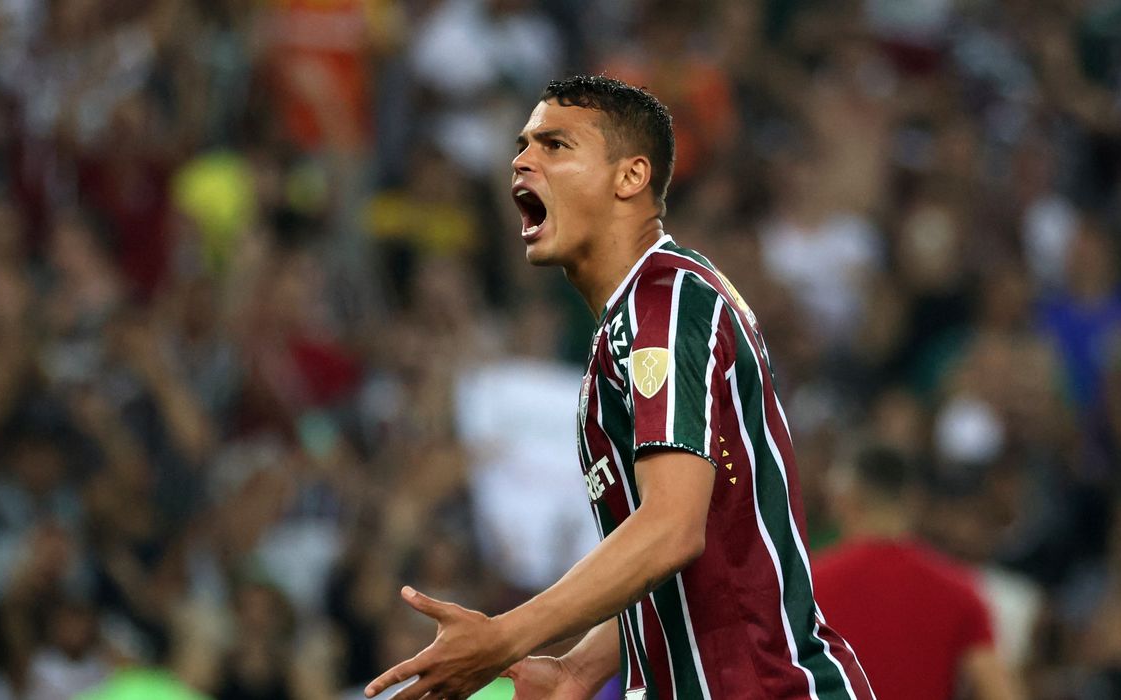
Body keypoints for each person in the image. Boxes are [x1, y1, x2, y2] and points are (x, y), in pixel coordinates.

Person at [364, 75, 874, 700]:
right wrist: (579, 668)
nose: (522, 161)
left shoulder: (664, 304)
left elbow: (671, 529)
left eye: (554, 146)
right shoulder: (642, 315)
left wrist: (505, 636)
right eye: (523, 145)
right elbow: (699, 538)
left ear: (629, 178)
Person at [812, 446, 1019, 700]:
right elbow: (999, 692)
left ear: (845, 499)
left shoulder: (809, 587)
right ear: (914, 500)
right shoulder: (960, 592)